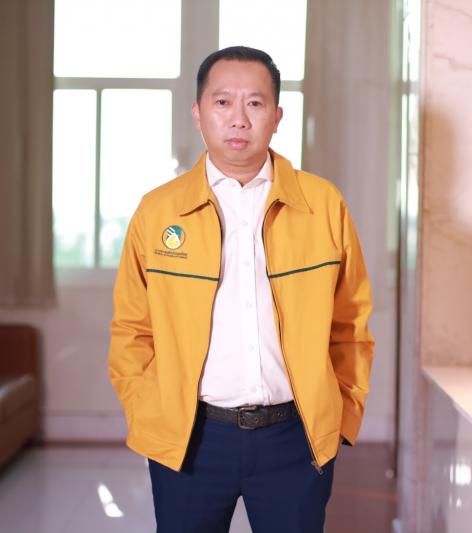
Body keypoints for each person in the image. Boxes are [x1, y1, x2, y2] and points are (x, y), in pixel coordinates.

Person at [107, 46, 375, 533]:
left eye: (254, 103)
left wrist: (340, 418)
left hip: (295, 440)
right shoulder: (157, 212)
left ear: (277, 116)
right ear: (198, 113)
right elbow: (131, 329)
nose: (238, 118)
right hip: (190, 440)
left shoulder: (323, 205)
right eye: (222, 102)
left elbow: (351, 324)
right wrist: (149, 411)